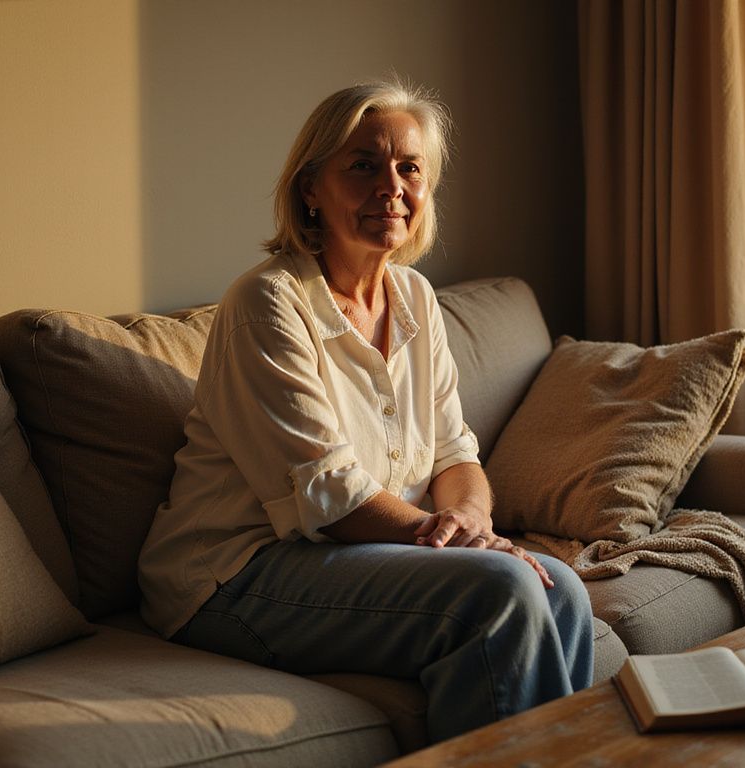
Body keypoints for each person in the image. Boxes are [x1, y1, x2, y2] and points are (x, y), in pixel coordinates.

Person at [137, 80, 594, 743]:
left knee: (563, 590)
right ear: (310, 189)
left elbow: (454, 452)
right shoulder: (267, 303)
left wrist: (468, 517)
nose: (391, 186)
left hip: (364, 550)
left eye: (409, 167)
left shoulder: (414, 297)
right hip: (234, 574)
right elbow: (329, 492)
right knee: (499, 591)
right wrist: (459, 543)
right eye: (362, 165)